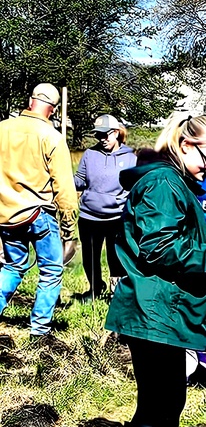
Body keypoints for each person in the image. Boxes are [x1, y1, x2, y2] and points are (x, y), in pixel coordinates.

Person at [106, 112, 206, 427]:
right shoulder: (163, 183)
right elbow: (159, 247)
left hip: (166, 308)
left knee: (171, 400)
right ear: (185, 145)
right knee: (156, 402)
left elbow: (179, 236)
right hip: (153, 308)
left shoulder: (179, 181)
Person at [0, 81, 78, 339]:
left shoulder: (2, 129)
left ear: (29, 100)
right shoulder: (52, 137)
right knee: (51, 271)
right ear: (53, 110)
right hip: (39, 215)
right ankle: (39, 331)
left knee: (13, 267)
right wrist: (69, 230)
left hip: (6, 214)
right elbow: (65, 190)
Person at [74, 115, 136, 300]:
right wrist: (62, 179)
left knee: (115, 259)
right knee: (90, 258)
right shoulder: (90, 154)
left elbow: (135, 187)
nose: (102, 139)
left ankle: (116, 295)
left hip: (116, 218)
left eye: (106, 134)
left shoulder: (131, 157)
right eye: (98, 135)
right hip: (89, 217)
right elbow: (80, 180)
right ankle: (94, 290)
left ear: (116, 133)